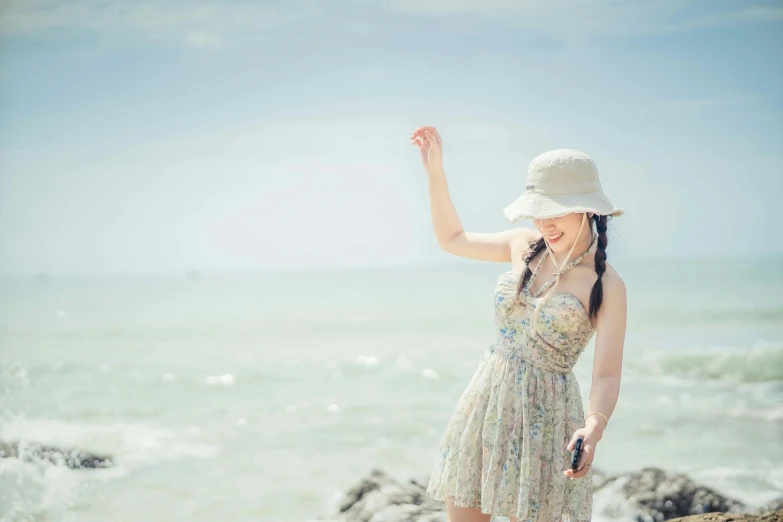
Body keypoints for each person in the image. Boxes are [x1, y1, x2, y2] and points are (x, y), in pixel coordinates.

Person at [410, 126, 627, 522]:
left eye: (556, 210)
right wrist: (436, 174)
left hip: (547, 418)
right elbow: (452, 238)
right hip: (487, 403)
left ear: (589, 208)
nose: (545, 224)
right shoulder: (524, 247)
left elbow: (607, 374)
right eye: (539, 212)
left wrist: (593, 429)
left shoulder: (607, 285)